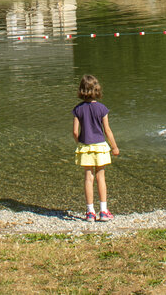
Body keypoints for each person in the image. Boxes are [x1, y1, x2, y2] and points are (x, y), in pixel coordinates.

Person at [72, 73, 120, 221]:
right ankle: (103, 211)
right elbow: (107, 130)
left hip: (85, 146)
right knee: (101, 177)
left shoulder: (78, 109)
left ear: (81, 90)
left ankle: (90, 212)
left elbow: (75, 131)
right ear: (97, 89)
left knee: (88, 178)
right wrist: (114, 147)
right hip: (100, 146)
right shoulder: (102, 109)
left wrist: (80, 142)